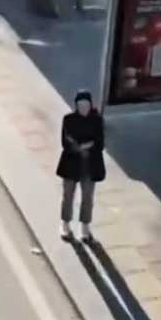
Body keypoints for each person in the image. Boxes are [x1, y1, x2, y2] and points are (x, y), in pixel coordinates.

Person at [56, 90, 106, 243]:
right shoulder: (68, 119)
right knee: (68, 196)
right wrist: (86, 144)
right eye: (80, 105)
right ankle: (65, 224)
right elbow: (65, 143)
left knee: (87, 198)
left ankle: (85, 228)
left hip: (89, 166)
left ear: (90, 105)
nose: (83, 107)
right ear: (76, 105)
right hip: (71, 164)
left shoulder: (97, 120)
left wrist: (82, 145)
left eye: (86, 104)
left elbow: (100, 144)